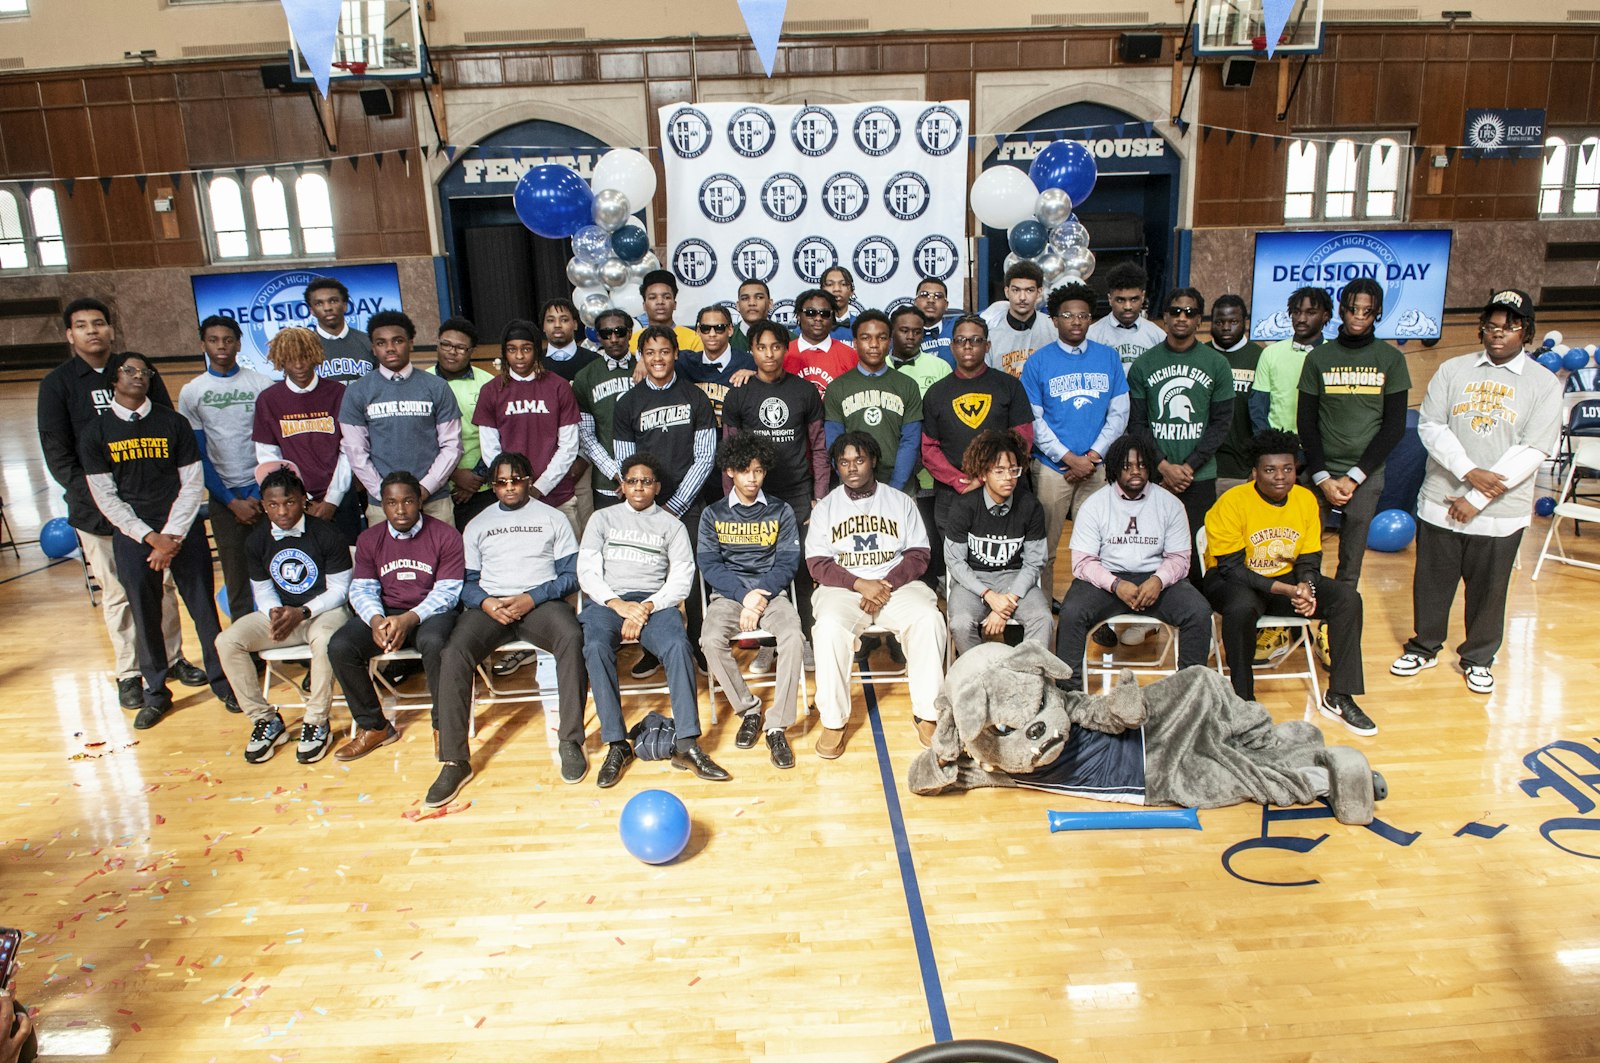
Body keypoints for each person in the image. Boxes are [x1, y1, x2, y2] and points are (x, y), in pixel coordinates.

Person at [1391, 289, 1561, 696]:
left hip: (1501, 512)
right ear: (1481, 329)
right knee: (1432, 581)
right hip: (1441, 499)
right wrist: (1467, 471)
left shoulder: (1543, 383)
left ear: (1527, 331)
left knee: (1489, 590)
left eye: (1509, 326)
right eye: (1491, 326)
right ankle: (1425, 646)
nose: (1498, 334)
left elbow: (1534, 449)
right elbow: (1432, 426)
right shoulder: (1453, 369)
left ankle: (1479, 657)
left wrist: (1477, 497)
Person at [38, 298, 205, 707]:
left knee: (161, 589)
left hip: (153, 510)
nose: (92, 331)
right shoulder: (57, 384)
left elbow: (165, 429)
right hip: (99, 512)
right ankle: (131, 672)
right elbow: (58, 454)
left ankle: (170, 660)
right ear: (70, 335)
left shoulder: (138, 369)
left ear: (111, 330)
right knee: (118, 594)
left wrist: (157, 516)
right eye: (82, 325)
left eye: (99, 323)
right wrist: (102, 504)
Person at [80, 350, 236, 727]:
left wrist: (172, 535)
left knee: (203, 610)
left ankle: (224, 682)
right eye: (129, 370)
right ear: (114, 379)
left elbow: (191, 483)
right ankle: (155, 692)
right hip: (135, 535)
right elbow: (105, 496)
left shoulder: (173, 423)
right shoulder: (96, 432)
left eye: (144, 371)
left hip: (181, 530)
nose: (138, 376)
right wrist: (149, 537)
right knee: (144, 612)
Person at [432, 451, 588, 803]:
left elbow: (570, 576)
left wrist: (531, 598)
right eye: (500, 482)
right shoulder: (478, 523)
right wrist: (486, 602)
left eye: (516, 479)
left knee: (572, 636)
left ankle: (571, 740)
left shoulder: (553, 518)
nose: (509, 487)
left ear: (529, 479)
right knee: (454, 652)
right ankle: (455, 760)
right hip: (492, 606)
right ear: (491, 485)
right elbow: (466, 581)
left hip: (539, 604)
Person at [1203, 429, 1375, 736]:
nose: (1280, 477)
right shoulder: (1232, 502)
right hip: (1234, 580)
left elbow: (1310, 557)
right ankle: (1243, 700)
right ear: (1254, 472)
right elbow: (1230, 568)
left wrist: (1307, 586)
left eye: (1287, 469)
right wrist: (1287, 589)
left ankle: (1340, 694)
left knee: (1347, 598)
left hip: (1286, 579)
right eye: (1270, 470)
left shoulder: (1306, 499)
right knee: (1242, 607)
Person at [580, 452, 729, 787]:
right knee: (594, 647)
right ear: (622, 485)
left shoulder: (671, 526)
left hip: (654, 604)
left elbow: (681, 578)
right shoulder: (601, 520)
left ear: (657, 487)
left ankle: (687, 744)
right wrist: (618, 604)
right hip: (609, 603)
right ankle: (617, 744)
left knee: (678, 645)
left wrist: (645, 607)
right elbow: (587, 572)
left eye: (646, 481)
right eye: (632, 481)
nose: (638, 487)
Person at [806, 431, 947, 758]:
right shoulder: (827, 507)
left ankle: (928, 713)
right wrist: (859, 584)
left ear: (873, 461)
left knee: (929, 618)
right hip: (844, 589)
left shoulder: (899, 501)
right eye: (844, 462)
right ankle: (834, 721)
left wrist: (883, 584)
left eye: (859, 460)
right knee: (826, 628)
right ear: (837, 468)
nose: (852, 468)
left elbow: (918, 554)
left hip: (894, 585)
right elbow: (816, 563)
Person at [216, 463, 352, 765]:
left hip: (322, 612)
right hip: (283, 615)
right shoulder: (256, 541)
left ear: (303, 499)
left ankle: (317, 721)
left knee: (326, 639)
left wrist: (301, 611)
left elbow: (341, 589)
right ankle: (265, 720)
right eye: (273, 504)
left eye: (289, 502)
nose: (282, 511)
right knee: (228, 641)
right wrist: (274, 612)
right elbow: (262, 589)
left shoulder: (327, 533)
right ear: (263, 506)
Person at [1055, 434, 1213, 687]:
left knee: (1198, 611)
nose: (1135, 472)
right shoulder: (1094, 505)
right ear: (1115, 468)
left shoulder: (1170, 504)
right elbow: (1083, 562)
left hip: (1156, 578)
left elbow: (1180, 558)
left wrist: (1158, 580)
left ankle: (1189, 692)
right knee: (1072, 612)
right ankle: (1069, 695)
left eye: (1141, 465)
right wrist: (1116, 584)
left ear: (1150, 467)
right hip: (1107, 579)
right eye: (1127, 466)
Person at [328, 471, 464, 763]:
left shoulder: (445, 535)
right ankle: (374, 727)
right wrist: (377, 621)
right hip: (387, 613)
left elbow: (448, 593)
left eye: (408, 501)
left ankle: (444, 728)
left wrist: (410, 619)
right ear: (382, 505)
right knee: (341, 646)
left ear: (420, 502)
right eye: (391, 503)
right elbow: (362, 589)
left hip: (431, 613)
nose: (400, 510)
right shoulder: (369, 539)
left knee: (436, 643)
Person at [720, 318, 826, 669]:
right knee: (760, 567)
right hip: (754, 496)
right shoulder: (739, 394)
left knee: (798, 569)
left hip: (796, 495)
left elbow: (819, 447)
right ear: (751, 350)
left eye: (776, 346)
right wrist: (730, 502)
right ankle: (767, 645)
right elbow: (730, 452)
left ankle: (805, 639)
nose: (769, 353)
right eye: (761, 347)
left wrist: (819, 495)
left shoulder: (805, 391)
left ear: (786, 349)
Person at [613, 325, 719, 672]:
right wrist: (647, 502)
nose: (657, 358)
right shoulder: (628, 402)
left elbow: (705, 457)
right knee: (649, 577)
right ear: (641, 356)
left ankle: (698, 643)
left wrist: (675, 505)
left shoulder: (695, 397)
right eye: (650, 352)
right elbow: (626, 463)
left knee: (691, 578)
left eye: (664, 351)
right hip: (644, 507)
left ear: (676, 353)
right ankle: (653, 648)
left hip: (687, 506)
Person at [697, 433, 804, 768]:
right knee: (710, 640)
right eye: (745, 471)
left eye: (758, 471)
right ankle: (749, 709)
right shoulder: (712, 514)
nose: (753, 478)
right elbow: (709, 564)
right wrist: (744, 597)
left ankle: (776, 726)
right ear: (730, 472)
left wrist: (759, 597)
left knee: (793, 638)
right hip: (729, 596)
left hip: (771, 594)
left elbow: (787, 562)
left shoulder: (780, 511)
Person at [1297, 277, 1411, 587]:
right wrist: (1322, 477)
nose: (1359, 317)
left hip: (1365, 473)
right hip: (1320, 471)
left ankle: (1338, 623)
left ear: (1377, 314)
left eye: (1367, 311)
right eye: (1353, 309)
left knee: (1350, 563)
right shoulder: (1318, 358)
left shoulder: (1391, 359)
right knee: (1304, 553)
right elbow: (1306, 422)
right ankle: (1302, 617)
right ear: (1342, 312)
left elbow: (1394, 426)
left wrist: (1353, 477)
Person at [1021, 282, 1129, 606]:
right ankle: (1042, 609)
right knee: (1046, 547)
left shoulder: (1108, 358)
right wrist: (1069, 458)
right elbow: (1034, 421)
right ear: (1054, 319)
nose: (1077, 321)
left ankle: (1090, 607)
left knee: (1096, 546)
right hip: (1053, 470)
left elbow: (1119, 412)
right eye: (1068, 315)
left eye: (1083, 315)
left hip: (1096, 469)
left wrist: (1093, 456)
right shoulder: (1038, 362)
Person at [1126, 287, 1234, 578]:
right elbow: (1137, 424)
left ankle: (1195, 617)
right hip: (1153, 475)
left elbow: (1221, 423)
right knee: (1151, 549)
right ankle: (1150, 619)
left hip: (1198, 476)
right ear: (1164, 317)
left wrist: (1187, 467)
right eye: (1175, 311)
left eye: (1190, 312)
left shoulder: (1217, 364)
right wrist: (1162, 466)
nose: (1182, 317)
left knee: (1197, 552)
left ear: (1200, 320)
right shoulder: (1143, 364)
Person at [177, 315, 273, 621]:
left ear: (238, 343)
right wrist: (232, 501)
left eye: (228, 340)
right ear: (203, 343)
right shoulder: (192, 392)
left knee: (278, 567)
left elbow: (273, 444)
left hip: (266, 493)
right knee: (236, 576)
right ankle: (250, 647)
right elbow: (198, 454)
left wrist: (260, 493)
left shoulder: (260, 384)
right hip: (224, 499)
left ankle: (285, 639)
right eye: (214, 340)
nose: (221, 346)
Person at [339, 309, 464, 527]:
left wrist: (425, 488)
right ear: (373, 348)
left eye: (397, 340)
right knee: (390, 562)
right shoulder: (357, 392)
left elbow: (452, 446)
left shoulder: (437, 387)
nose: (390, 348)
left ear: (411, 343)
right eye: (381, 343)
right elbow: (356, 452)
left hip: (434, 500)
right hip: (382, 504)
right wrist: (388, 495)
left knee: (442, 560)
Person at [921, 314, 1035, 536]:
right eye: (961, 340)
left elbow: (1023, 439)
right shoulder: (936, 392)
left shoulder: (1009, 386)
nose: (968, 346)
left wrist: (989, 477)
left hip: (1003, 489)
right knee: (955, 561)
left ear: (987, 345)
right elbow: (929, 448)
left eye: (975, 340)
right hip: (954, 492)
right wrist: (960, 481)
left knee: (1004, 557)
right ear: (952, 346)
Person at [943, 430, 1051, 654]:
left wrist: (1005, 604)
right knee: (960, 623)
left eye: (1014, 470)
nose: (1009, 478)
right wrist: (989, 596)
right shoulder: (964, 506)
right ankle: (980, 677)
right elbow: (955, 562)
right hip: (973, 581)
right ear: (983, 474)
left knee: (1043, 618)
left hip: (1015, 578)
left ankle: (1029, 680)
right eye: (999, 471)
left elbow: (1034, 562)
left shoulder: (1030, 506)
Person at [470, 319, 583, 534]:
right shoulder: (491, 391)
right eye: (512, 350)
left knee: (567, 564)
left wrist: (540, 487)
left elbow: (569, 446)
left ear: (537, 351)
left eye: (526, 349)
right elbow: (490, 450)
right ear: (504, 352)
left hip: (557, 497)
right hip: (512, 500)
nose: (519, 356)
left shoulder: (559, 387)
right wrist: (514, 487)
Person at [252, 326, 359, 541]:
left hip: (341, 498)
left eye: (304, 357)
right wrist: (303, 501)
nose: (299, 365)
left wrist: (333, 499)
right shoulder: (268, 400)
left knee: (348, 564)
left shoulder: (339, 393)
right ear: (280, 361)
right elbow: (269, 458)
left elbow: (349, 448)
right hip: (293, 503)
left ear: (316, 355)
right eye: (291, 359)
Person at [825, 311, 924, 492]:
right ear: (855, 343)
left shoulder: (907, 385)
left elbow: (911, 441)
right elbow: (834, 443)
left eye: (881, 338)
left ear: (890, 342)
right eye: (866, 338)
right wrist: (852, 481)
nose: (873, 344)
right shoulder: (837, 387)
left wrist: (895, 488)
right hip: (852, 489)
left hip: (899, 489)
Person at [888, 304, 952, 585]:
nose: (911, 337)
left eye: (917, 332)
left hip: (929, 467)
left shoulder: (939, 367)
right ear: (891, 332)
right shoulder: (877, 365)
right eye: (904, 330)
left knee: (926, 532)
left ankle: (929, 585)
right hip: (890, 464)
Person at [429, 316, 497, 528]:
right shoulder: (423, 382)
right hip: (436, 487)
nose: (451, 351)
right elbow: (419, 438)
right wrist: (454, 475)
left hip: (483, 487)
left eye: (460, 347)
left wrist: (475, 479)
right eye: (446, 344)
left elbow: (499, 435)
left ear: (471, 351)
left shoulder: (488, 383)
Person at [573, 308, 639, 514]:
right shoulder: (586, 377)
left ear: (629, 333)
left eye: (619, 332)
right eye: (606, 333)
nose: (613, 338)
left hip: (647, 481)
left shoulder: (647, 367)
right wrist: (617, 473)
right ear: (598, 337)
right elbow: (587, 436)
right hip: (607, 483)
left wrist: (638, 475)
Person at [1251, 286, 1331, 434]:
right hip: (1279, 446)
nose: (1301, 319)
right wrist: (1270, 445)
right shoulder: (1271, 353)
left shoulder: (1333, 355)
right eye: (1296, 312)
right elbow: (1258, 408)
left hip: (1322, 448)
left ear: (1325, 316)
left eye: (1311, 313)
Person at [1209, 294, 1264, 495]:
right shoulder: (1200, 354)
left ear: (1245, 322)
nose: (1225, 327)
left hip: (1243, 469)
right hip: (1203, 467)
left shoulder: (1259, 357)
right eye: (1219, 322)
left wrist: (1258, 465)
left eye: (1233, 321)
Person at [677, 304, 756, 423]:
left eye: (719, 328)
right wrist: (642, 362)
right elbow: (657, 356)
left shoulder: (749, 362)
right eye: (705, 328)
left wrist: (757, 375)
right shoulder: (684, 361)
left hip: (734, 439)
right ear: (698, 331)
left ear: (730, 330)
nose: (712, 334)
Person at [1086, 261, 1167, 375]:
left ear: (1143, 297)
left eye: (1134, 299)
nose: (1127, 306)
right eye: (1120, 300)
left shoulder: (1157, 336)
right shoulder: (1093, 335)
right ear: (1110, 299)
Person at [979, 261, 1054, 378]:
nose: (1022, 297)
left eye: (1029, 290)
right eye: (1016, 290)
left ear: (1039, 292)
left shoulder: (1053, 328)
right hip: (1003, 395)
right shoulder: (991, 330)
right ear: (1006, 292)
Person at [784, 287, 858, 396]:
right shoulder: (782, 353)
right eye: (810, 312)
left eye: (825, 313)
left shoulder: (850, 355)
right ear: (798, 316)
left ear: (832, 317)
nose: (818, 318)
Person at [303, 276, 374, 382]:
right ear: (311, 310)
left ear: (345, 306)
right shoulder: (303, 347)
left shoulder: (369, 342)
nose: (327, 308)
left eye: (333, 301)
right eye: (319, 303)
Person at [630, 269, 703, 354]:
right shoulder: (632, 341)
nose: (660, 302)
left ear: (675, 304)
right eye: (653, 297)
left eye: (667, 297)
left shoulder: (693, 339)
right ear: (644, 305)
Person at [539, 297, 601, 383]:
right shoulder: (536, 363)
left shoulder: (594, 361)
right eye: (551, 320)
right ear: (543, 327)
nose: (557, 325)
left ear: (575, 324)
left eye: (564, 320)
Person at [914, 276, 964, 368]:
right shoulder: (904, 333)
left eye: (938, 296)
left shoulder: (959, 327)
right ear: (915, 302)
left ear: (946, 305)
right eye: (925, 295)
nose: (931, 300)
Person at [730, 278, 773, 352]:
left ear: (770, 304)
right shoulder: (725, 340)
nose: (752, 303)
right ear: (738, 306)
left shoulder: (788, 339)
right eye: (745, 298)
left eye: (759, 297)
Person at [821, 264, 858, 341]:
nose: (837, 289)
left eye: (843, 284)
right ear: (821, 290)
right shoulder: (810, 327)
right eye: (830, 284)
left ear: (852, 291)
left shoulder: (862, 326)